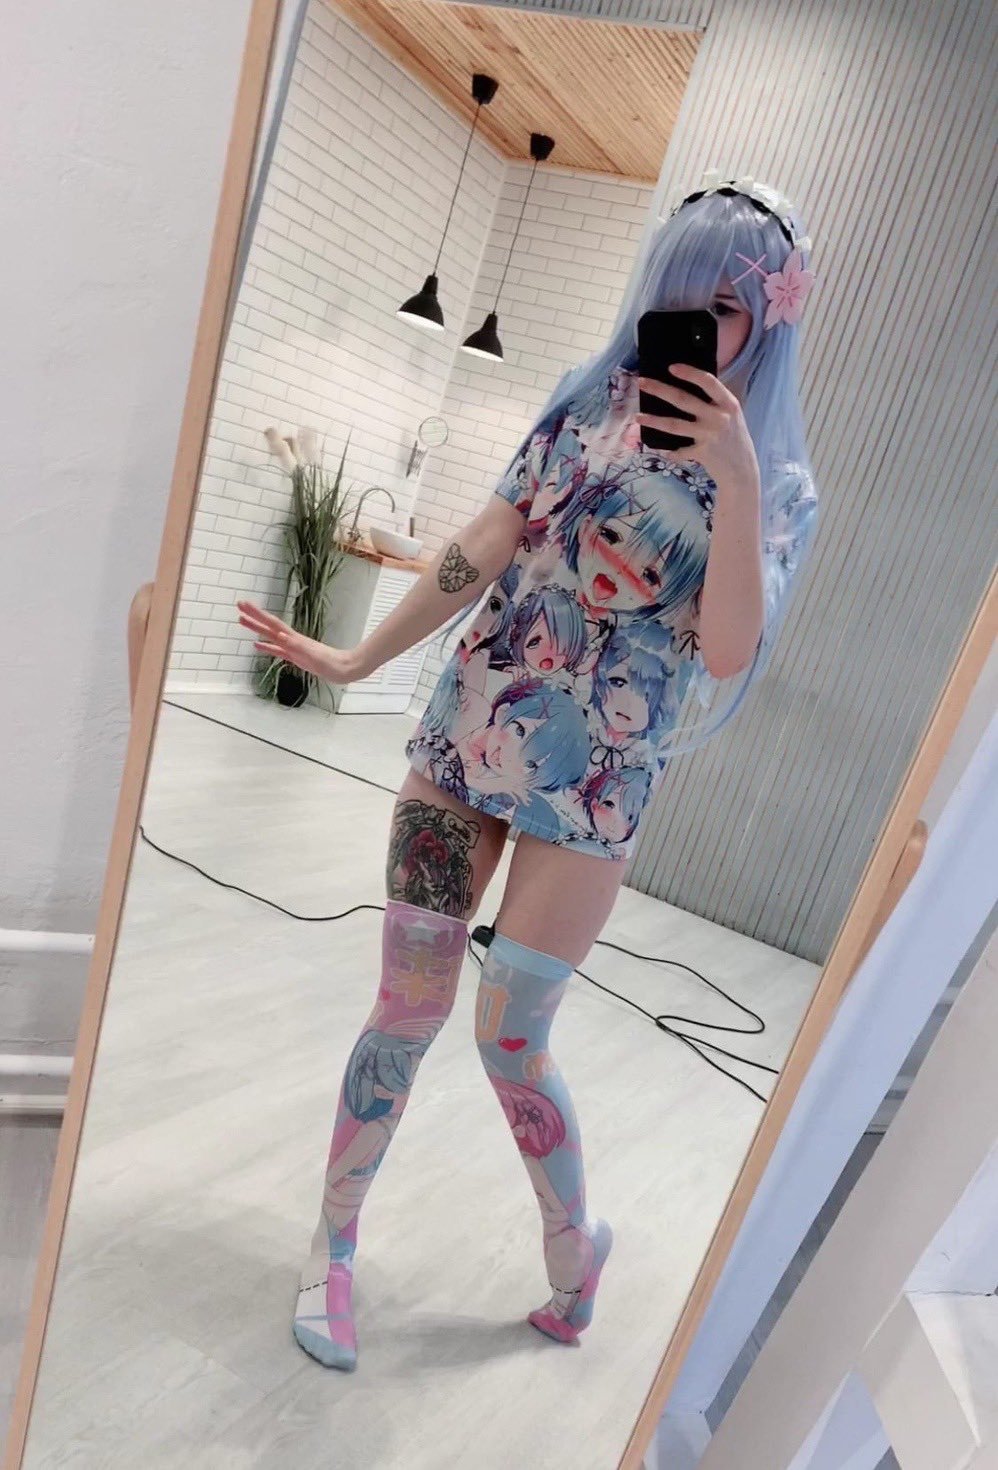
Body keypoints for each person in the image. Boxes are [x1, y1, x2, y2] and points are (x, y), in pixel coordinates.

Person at [236, 170, 820, 1371]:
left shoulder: (776, 490)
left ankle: (573, 1248)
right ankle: (330, 1249)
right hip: (466, 738)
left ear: (768, 319)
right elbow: (483, 544)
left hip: (595, 794)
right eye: (678, 294)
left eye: (723, 304)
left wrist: (736, 478)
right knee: (405, 1007)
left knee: (511, 1039)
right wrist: (356, 656)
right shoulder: (576, 411)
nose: (694, 323)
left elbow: (724, 651)